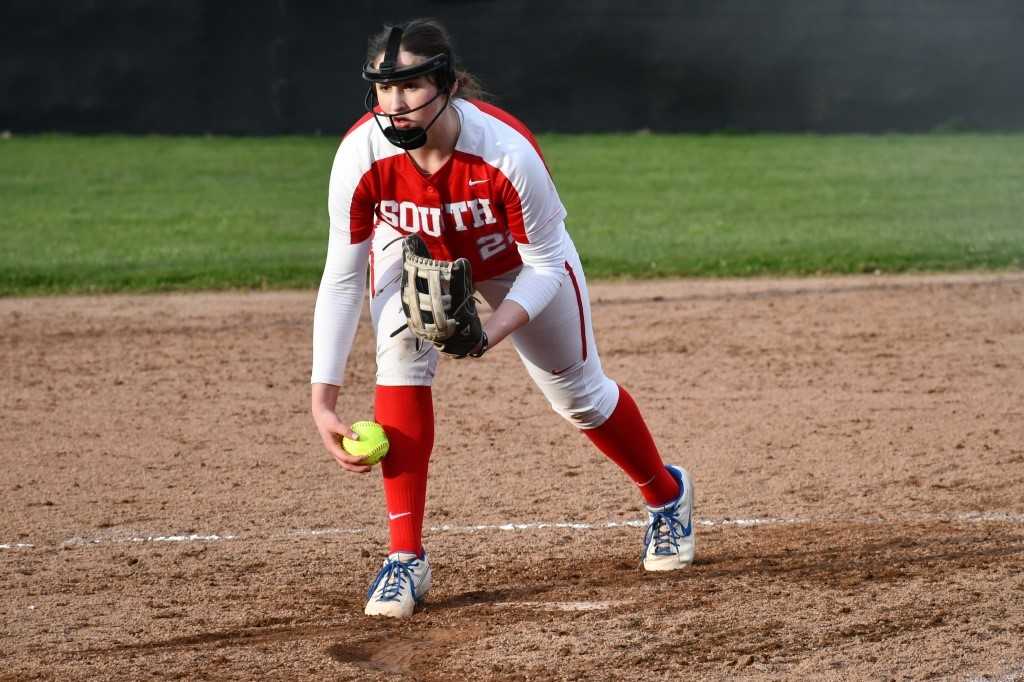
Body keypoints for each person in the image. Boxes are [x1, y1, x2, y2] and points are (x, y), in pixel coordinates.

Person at [311, 18, 694, 619]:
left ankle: (666, 496)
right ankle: (404, 557)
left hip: (514, 259)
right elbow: (341, 275)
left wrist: (491, 331)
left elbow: (546, 263)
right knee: (402, 360)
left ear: (445, 85)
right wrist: (323, 399)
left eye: (409, 86)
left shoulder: (506, 152)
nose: (394, 104)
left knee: (579, 395)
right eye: (383, 89)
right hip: (415, 249)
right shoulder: (361, 153)